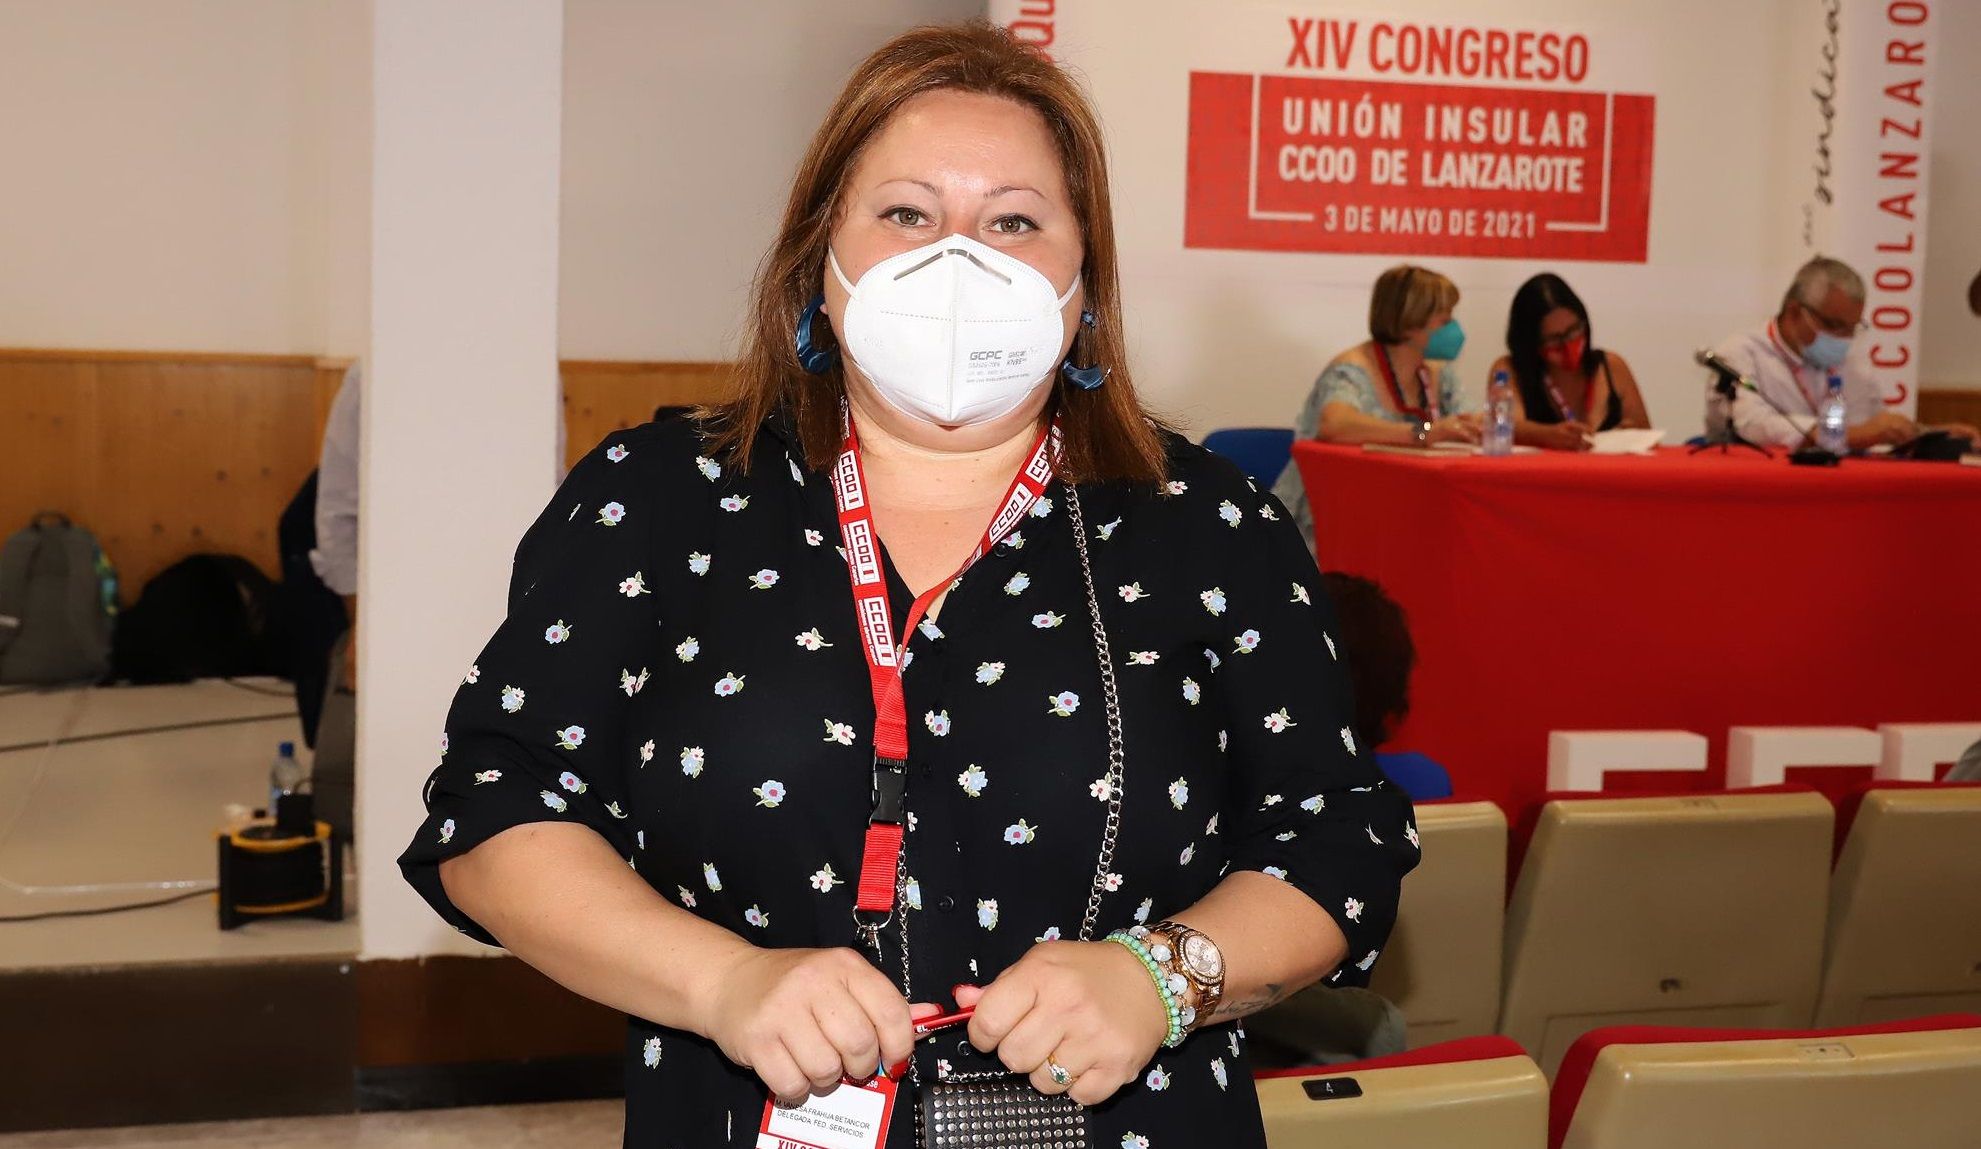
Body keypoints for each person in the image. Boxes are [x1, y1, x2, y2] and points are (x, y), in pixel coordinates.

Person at [398, 22, 1416, 1149]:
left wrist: (1164, 977)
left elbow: (1337, 839)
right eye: (907, 214)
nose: (957, 260)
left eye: (1014, 221)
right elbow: (496, 809)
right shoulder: (659, 497)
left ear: (1085, 285)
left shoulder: (1210, 522)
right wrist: (723, 984)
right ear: (817, 262)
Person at [1271, 264, 1482, 550]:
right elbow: (1335, 424)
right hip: (1326, 522)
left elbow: (1471, 420)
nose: (1454, 329)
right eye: (1444, 320)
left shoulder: (1437, 372)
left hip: (1402, 513)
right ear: (1410, 320)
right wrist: (1423, 433)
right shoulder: (1351, 370)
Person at [1710, 257, 1980, 451]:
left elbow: (1873, 425)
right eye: (1834, 326)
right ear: (1794, 312)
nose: (1843, 339)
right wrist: (1854, 434)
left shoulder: (1850, 358)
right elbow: (1757, 425)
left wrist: (1928, 435)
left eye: (1853, 328)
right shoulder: (1738, 354)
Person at [1492, 273, 1651, 451]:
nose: (1568, 346)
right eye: (1554, 339)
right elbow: (1502, 426)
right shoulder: (1506, 369)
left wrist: (1629, 434)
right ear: (1530, 343)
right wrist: (1546, 435)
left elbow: (1645, 435)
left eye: (1574, 330)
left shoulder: (1613, 366)